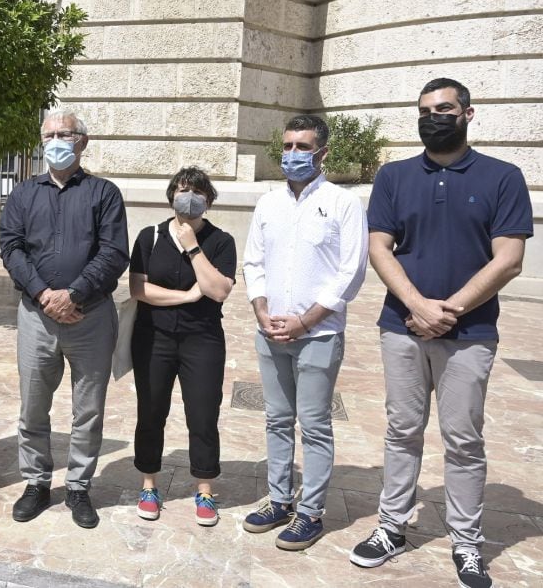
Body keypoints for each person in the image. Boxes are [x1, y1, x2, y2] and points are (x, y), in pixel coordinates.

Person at [349, 79, 533, 588]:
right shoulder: (394, 176)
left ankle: (466, 543)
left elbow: (510, 259)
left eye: (445, 109)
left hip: (470, 332)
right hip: (401, 329)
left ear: (468, 114)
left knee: (463, 439)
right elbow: (380, 247)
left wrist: (447, 310)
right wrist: (416, 306)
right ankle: (391, 527)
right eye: (426, 110)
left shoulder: (503, 177)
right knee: (401, 432)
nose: (434, 116)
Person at [241, 114, 368, 550]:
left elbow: (351, 272)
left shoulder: (343, 204)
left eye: (302, 147)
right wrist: (261, 311)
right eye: (288, 145)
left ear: (323, 153)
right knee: (276, 419)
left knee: (313, 424)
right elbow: (253, 262)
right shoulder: (268, 204)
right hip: (270, 332)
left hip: (319, 335)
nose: (293, 154)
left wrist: (306, 320)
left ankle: (311, 511)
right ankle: (279, 499)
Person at [0, 110, 129, 529]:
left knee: (87, 410)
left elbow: (113, 253)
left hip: (90, 317)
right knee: (33, 406)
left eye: (64, 134)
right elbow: (11, 248)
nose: (55, 140)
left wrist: (73, 294)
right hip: (36, 318)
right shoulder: (23, 194)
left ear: (82, 142)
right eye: (49, 134)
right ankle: (36, 482)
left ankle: (78, 487)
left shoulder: (104, 193)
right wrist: (43, 294)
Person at [129, 166, 236, 525]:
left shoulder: (221, 242)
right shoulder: (150, 236)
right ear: (171, 193)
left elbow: (219, 290)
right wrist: (187, 296)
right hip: (153, 338)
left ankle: (205, 491)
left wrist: (192, 246)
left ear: (208, 199)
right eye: (182, 189)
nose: (188, 197)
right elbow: (139, 290)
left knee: (203, 415)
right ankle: (148, 484)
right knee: (151, 410)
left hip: (202, 339)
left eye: (197, 192)